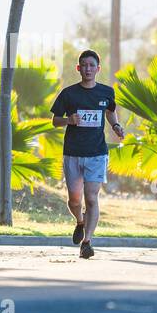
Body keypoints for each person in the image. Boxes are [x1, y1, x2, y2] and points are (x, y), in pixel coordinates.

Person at [50, 49, 124, 259]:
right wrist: (68, 120)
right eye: (84, 65)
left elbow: (110, 111)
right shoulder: (69, 93)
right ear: (78, 68)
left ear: (98, 69)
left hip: (97, 153)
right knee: (74, 200)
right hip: (73, 153)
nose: (88, 69)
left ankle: (87, 242)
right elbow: (55, 120)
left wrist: (116, 125)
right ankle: (80, 221)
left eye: (92, 65)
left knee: (91, 197)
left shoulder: (106, 92)